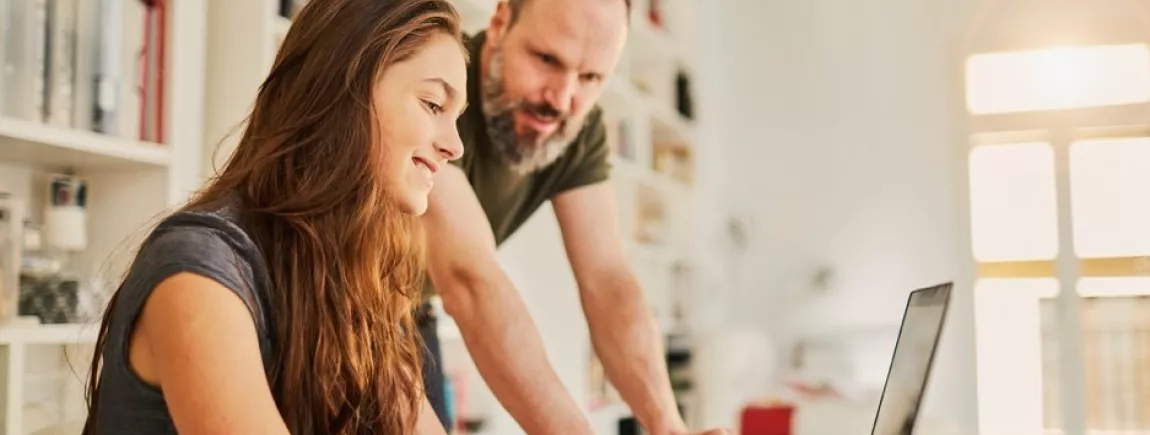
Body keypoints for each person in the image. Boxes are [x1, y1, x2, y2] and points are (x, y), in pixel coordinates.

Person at [80, 0, 468, 433]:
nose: (455, 145)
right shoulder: (201, 272)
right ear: (341, 88)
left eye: (457, 117)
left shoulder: (355, 280)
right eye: (433, 104)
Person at [418, 0, 731, 433]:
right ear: (501, 20)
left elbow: (608, 281)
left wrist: (668, 427)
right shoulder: (439, 88)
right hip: (319, 290)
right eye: (547, 60)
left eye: (590, 77)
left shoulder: (580, 129)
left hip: (408, 311)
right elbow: (469, 279)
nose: (562, 100)